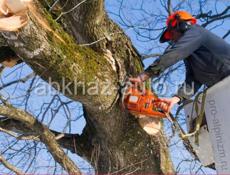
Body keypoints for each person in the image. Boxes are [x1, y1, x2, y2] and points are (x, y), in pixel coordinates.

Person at [129, 11, 230, 113]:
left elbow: (174, 54)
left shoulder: (196, 32)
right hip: (224, 89)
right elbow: (193, 81)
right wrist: (176, 99)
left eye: (172, 34)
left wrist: (143, 76)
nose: (172, 39)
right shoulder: (191, 55)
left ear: (182, 25)